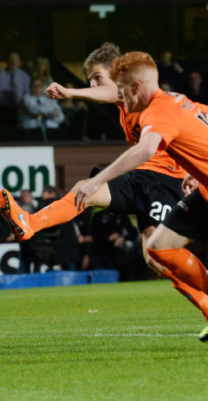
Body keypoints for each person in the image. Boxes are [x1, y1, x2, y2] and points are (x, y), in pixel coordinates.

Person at [0, 45, 208, 340]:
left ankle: (31, 222)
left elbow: (125, 114)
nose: (95, 86)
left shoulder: (150, 103)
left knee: (147, 244)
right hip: (156, 179)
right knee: (154, 253)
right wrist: (193, 170)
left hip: (160, 178)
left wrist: (71, 93)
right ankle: (30, 223)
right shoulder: (155, 102)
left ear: (123, 79)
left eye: (97, 78)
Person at [73, 51, 208, 342]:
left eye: (122, 91)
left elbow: (145, 150)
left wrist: (97, 179)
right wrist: (195, 170)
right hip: (204, 191)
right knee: (159, 246)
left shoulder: (156, 110)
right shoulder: (177, 99)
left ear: (136, 88)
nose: (121, 99)